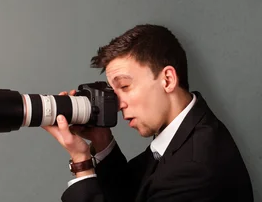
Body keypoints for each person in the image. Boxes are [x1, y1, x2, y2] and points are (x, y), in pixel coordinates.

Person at [43, 24, 254, 202]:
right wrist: (102, 140)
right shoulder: (187, 129)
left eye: (124, 86)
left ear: (168, 80)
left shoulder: (194, 169)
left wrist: (81, 162)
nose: (117, 104)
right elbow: (135, 192)